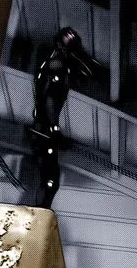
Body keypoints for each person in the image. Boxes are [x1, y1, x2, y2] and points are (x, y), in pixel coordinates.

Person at [30, 26, 97, 207]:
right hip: (45, 130)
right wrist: (54, 129)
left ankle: (41, 209)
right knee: (50, 181)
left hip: (43, 129)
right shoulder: (56, 67)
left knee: (50, 181)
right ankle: (41, 211)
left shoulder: (54, 65)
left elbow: (87, 73)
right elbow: (49, 99)